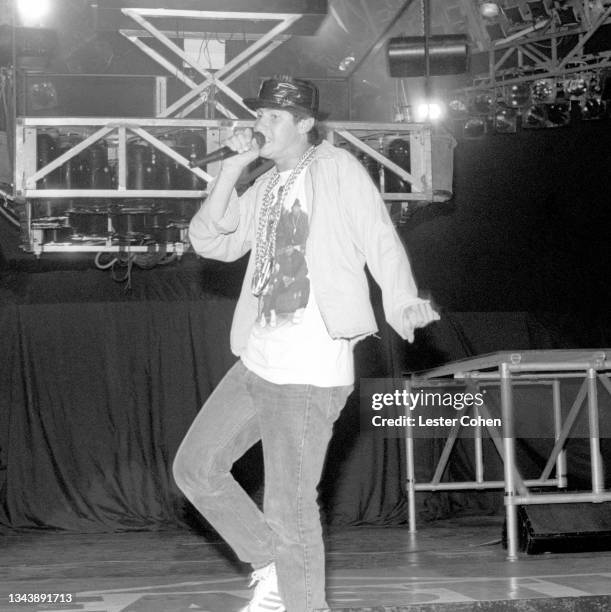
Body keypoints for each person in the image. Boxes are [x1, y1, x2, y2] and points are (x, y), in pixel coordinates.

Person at [172, 76, 439, 612]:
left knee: (289, 507)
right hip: (258, 358)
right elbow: (211, 241)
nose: (260, 124)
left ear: (304, 124)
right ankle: (270, 562)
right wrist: (228, 172)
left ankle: (299, 602)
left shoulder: (337, 169)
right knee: (196, 468)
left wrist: (402, 300)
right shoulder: (267, 184)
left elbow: (379, 237)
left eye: (273, 116)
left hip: (310, 366)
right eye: (260, 114)